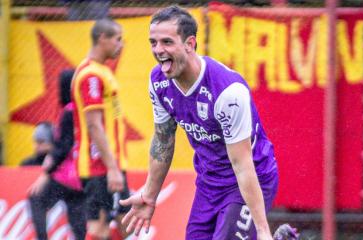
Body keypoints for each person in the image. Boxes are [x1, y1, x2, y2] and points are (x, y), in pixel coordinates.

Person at [120, 6, 279, 240]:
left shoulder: (227, 91)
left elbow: (242, 164)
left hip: (248, 179)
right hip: (209, 183)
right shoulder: (158, 82)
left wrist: (263, 230)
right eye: (153, 43)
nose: (158, 50)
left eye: (167, 42)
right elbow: (163, 139)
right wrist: (150, 195)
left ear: (190, 43)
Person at [71, 18, 130, 240]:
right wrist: (112, 168)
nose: (121, 44)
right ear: (102, 38)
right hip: (100, 165)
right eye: (117, 39)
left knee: (123, 222)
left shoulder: (100, 70)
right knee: (100, 227)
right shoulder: (91, 75)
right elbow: (94, 125)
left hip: (109, 163)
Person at [27, 69, 86, 240]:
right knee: (77, 220)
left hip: (66, 176)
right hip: (83, 176)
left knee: (36, 198)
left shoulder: (69, 111)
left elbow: (64, 146)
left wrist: (47, 170)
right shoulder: (84, 109)